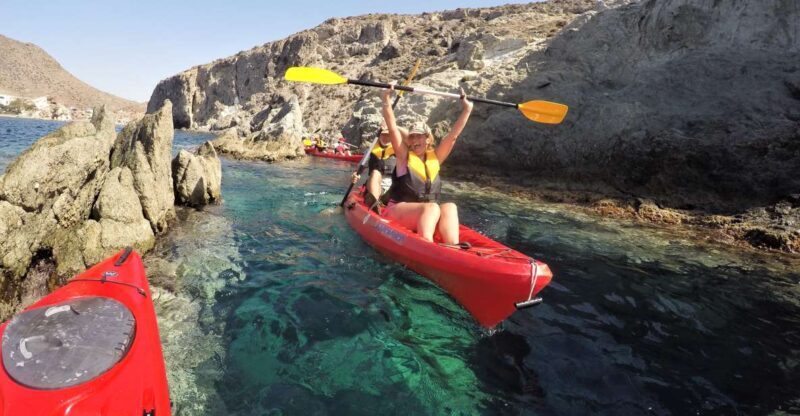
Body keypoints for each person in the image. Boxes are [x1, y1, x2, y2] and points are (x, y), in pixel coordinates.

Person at [380, 83, 473, 245]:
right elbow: (393, 129)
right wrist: (386, 99)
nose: (415, 140)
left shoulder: (435, 158)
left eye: (420, 136)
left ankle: (453, 247)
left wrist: (467, 110)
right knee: (431, 207)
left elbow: (452, 137)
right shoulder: (404, 156)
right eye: (412, 137)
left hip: (424, 214)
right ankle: (426, 244)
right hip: (397, 210)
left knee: (450, 206)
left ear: (428, 139)